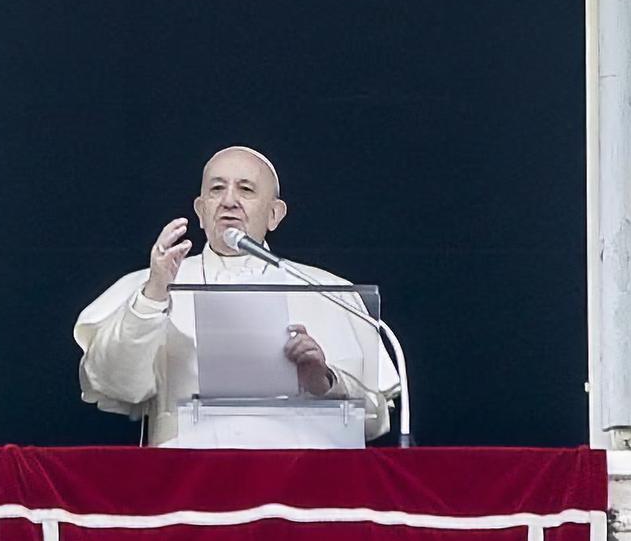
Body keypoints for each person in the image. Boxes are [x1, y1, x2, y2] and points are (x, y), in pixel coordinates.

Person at [75, 145, 399, 445]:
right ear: (201, 210)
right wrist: (153, 297)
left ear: (275, 214)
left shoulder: (327, 291)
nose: (229, 201)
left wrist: (324, 381)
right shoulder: (152, 285)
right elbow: (115, 384)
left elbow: (374, 421)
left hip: (298, 490)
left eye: (245, 189)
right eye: (217, 189)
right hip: (187, 489)